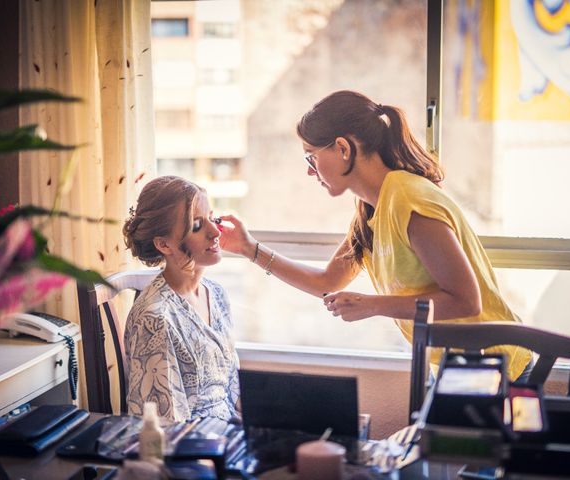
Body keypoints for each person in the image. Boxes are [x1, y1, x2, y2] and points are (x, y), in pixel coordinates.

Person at [219, 90, 532, 382]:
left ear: (342, 148)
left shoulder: (408, 199)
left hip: (496, 366)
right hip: (458, 364)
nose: (310, 170)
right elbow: (327, 282)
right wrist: (250, 249)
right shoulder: (371, 208)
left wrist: (373, 305)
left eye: (311, 156)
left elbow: (465, 301)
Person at [122, 175, 240, 423]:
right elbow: (164, 429)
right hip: (193, 450)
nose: (215, 231)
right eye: (197, 225)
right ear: (164, 244)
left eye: (212, 218)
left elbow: (232, 391)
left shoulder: (216, 294)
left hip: (229, 434)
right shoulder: (154, 320)